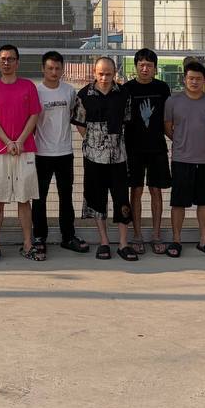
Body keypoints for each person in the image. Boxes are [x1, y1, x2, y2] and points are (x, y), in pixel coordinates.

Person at [0, 44, 43, 261]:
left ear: (18, 62)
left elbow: (34, 115)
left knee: (24, 200)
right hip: (0, 151)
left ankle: (27, 244)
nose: (6, 62)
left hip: (25, 151)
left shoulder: (28, 86)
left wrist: (20, 141)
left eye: (11, 59)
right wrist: (8, 142)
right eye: (3, 59)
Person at [73, 56, 137, 261]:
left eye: (108, 74)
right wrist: (95, 142)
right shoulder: (84, 95)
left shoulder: (123, 94)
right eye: (101, 74)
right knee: (97, 199)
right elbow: (80, 123)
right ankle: (104, 242)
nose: (104, 78)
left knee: (122, 199)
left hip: (118, 158)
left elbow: (126, 119)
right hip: (93, 159)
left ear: (114, 74)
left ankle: (124, 244)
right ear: (94, 73)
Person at [163, 60, 205, 258]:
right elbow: (168, 127)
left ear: (204, 80)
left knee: (204, 202)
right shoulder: (173, 101)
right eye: (191, 78)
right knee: (178, 202)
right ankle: (176, 240)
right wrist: (182, 142)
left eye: (198, 79)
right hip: (181, 159)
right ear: (184, 79)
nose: (194, 82)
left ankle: (204, 241)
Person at [32, 51, 88, 254]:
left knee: (66, 197)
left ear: (62, 69)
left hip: (65, 153)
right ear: (43, 69)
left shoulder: (69, 91)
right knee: (39, 198)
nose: (54, 72)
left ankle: (68, 236)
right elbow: (31, 122)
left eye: (57, 68)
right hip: (42, 153)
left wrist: (88, 138)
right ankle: (39, 237)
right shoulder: (36, 92)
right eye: (50, 68)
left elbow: (78, 117)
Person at [123, 48, 172, 255]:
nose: (145, 69)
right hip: (133, 148)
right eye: (141, 65)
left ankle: (156, 235)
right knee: (135, 191)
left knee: (156, 191)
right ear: (136, 66)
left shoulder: (162, 88)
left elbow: (169, 118)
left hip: (157, 147)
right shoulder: (126, 89)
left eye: (149, 65)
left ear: (155, 68)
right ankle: (136, 235)